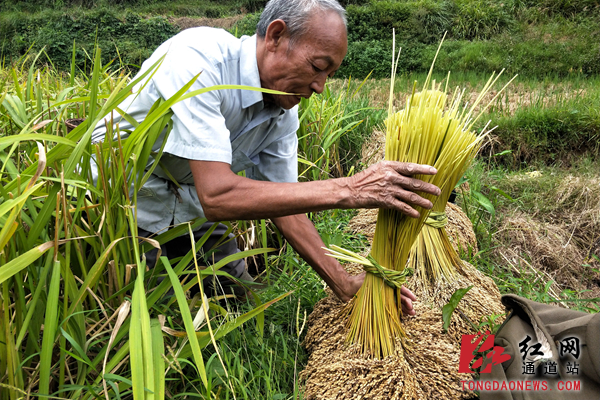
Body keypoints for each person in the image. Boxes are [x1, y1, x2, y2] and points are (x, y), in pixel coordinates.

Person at [91, 0, 441, 315]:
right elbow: (217, 194)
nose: (320, 87)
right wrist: (350, 188)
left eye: (329, 75)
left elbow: (287, 206)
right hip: (121, 205)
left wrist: (343, 282)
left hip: (189, 207)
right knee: (155, 316)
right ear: (276, 36)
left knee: (246, 306)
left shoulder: (282, 112)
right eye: (318, 66)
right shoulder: (198, 60)